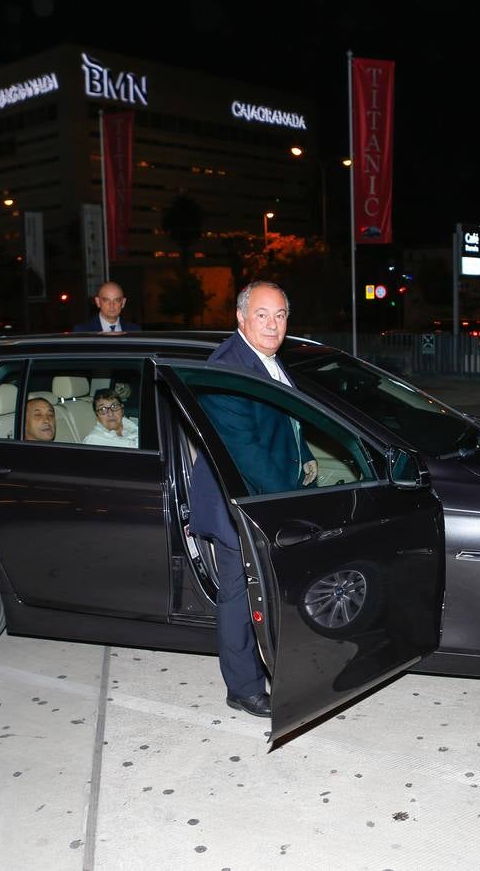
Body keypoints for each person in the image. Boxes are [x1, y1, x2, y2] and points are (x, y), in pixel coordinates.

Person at [189, 280, 317, 718]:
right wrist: (291, 503)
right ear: (241, 318)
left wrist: (307, 457)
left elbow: (290, 422)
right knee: (240, 600)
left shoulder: (268, 360)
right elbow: (248, 455)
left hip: (263, 498)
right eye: (262, 314)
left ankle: (274, 669)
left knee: (259, 596)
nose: (273, 324)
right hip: (238, 507)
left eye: (280, 315)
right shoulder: (229, 366)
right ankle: (243, 687)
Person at [72, 281, 141, 333]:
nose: (112, 305)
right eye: (106, 300)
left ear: (123, 302)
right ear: (98, 302)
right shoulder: (82, 331)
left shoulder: (134, 330)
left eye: (117, 300)